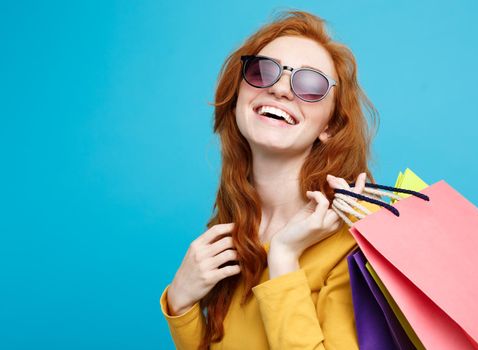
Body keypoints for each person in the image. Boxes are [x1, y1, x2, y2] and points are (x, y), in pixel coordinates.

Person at [160, 10, 379, 349]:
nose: (280, 90)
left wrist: (284, 258)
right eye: (263, 72)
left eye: (310, 85)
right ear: (238, 96)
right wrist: (181, 302)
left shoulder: (353, 245)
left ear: (330, 126)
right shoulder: (231, 234)